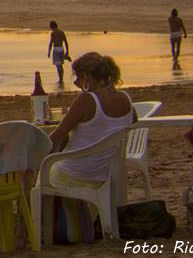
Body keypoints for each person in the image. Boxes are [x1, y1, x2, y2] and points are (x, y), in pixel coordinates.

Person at [46, 53, 134, 238]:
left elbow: (54, 139)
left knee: (43, 170)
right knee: (52, 164)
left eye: (78, 78)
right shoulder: (126, 99)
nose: (77, 83)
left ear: (86, 77)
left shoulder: (87, 100)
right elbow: (130, 125)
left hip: (76, 172)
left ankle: (35, 227)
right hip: (104, 172)